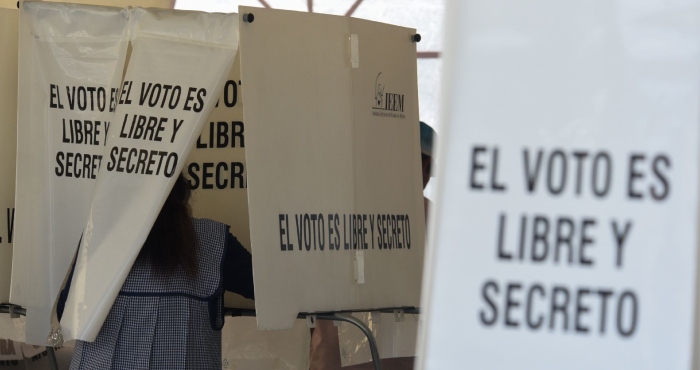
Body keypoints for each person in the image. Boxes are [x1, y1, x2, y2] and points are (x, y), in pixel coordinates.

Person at [58, 174, 254, 369]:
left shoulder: (99, 237)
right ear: (179, 195)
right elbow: (267, 291)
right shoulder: (215, 240)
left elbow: (65, 314)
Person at [309, 121, 436, 370]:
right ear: (425, 165)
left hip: (353, 349)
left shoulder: (346, 210)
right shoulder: (436, 218)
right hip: (415, 350)